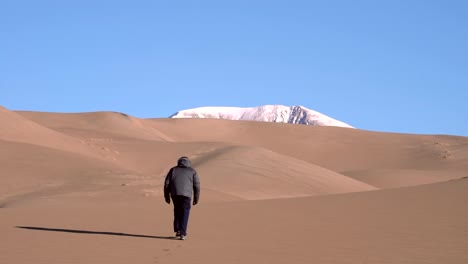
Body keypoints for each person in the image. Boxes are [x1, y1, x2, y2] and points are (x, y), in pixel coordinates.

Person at [164, 156, 200, 240]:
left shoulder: (173, 170)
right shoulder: (192, 171)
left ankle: (178, 230)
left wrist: (166, 196)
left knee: (177, 210)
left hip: (175, 194)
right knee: (185, 212)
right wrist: (196, 198)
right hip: (186, 195)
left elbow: (167, 183)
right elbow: (197, 186)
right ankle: (183, 233)